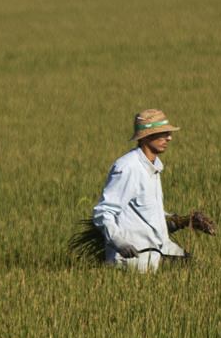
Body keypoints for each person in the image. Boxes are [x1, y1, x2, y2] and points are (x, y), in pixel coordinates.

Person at [91, 109, 212, 272]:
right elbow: (104, 211)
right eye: (162, 134)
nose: (169, 138)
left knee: (198, 270)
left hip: (158, 250)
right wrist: (118, 242)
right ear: (146, 137)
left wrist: (182, 221)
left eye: (168, 133)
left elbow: (148, 215)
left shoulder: (153, 167)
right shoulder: (128, 168)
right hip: (134, 257)